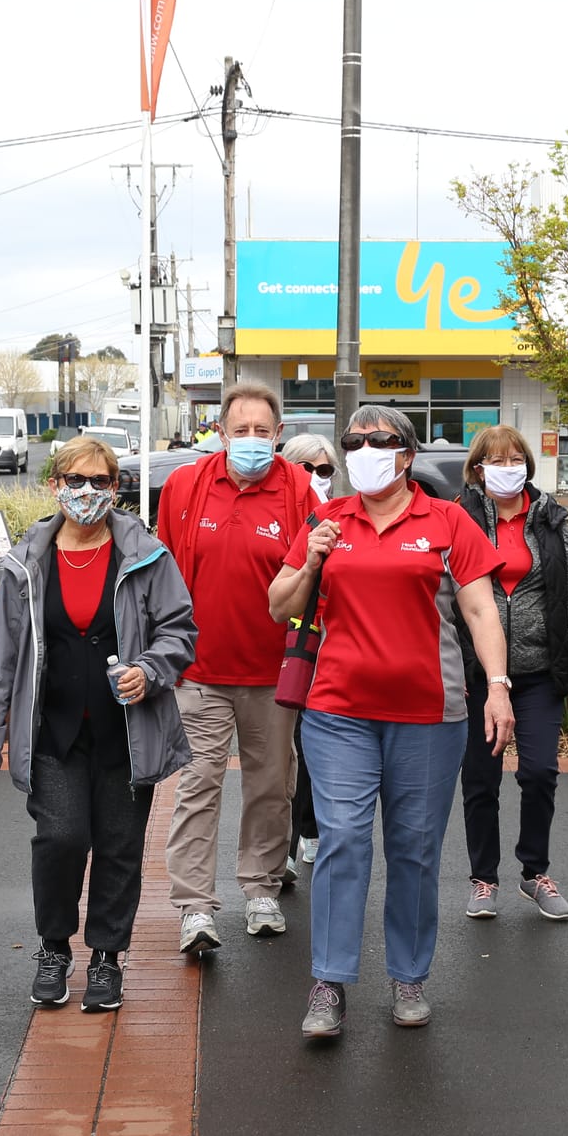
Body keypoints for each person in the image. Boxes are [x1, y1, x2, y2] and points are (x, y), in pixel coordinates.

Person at [269, 406, 516, 1037]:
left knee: (414, 850)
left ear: (405, 455)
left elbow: (481, 611)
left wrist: (497, 687)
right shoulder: (327, 519)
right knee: (343, 840)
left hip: (430, 716)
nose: (362, 451)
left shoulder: (446, 519)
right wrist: (311, 562)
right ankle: (328, 981)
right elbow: (281, 607)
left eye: (377, 442)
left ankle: (409, 976)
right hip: (337, 711)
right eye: (352, 442)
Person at [0, 436, 197, 1012]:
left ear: (115, 489)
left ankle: (106, 957)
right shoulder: (28, 562)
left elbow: (180, 631)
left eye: (100, 481)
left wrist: (152, 668)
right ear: (55, 486)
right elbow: (0, 654)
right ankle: (53, 947)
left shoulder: (146, 555)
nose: (88, 492)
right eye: (76, 480)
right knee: (61, 838)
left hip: (127, 733)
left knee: (119, 846)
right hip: (54, 731)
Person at [155, 381, 315, 948]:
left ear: (278, 435)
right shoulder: (183, 487)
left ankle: (261, 887)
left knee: (272, 788)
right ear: (221, 434)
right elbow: (163, 574)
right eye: (240, 430)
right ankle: (195, 907)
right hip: (197, 673)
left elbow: (316, 579)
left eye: (262, 431)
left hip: (273, 676)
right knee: (198, 787)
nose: (251, 440)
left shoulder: (298, 491)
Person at [454, 425, 568, 921]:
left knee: (538, 772)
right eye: (497, 460)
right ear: (477, 469)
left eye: (516, 459)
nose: (507, 468)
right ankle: (483, 878)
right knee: (481, 779)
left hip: (538, 673)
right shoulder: (460, 518)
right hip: (476, 674)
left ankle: (534, 873)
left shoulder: (550, 520)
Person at [277, 430, 341, 883]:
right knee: (282, 754)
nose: (315, 478)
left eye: (324, 471)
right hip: (283, 642)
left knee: (316, 746)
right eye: (305, 468)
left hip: (327, 643)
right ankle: (282, 842)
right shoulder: (277, 514)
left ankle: (311, 830)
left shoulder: (338, 518)